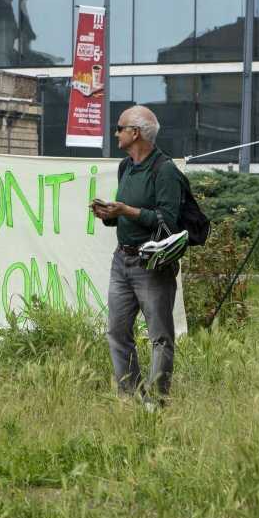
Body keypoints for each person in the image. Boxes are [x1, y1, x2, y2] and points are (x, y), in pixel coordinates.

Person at [91, 105, 182, 409]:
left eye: (120, 128)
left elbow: (167, 221)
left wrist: (126, 210)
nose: (116, 132)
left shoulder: (165, 170)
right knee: (117, 332)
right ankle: (131, 398)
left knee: (160, 337)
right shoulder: (125, 166)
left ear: (136, 133)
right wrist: (109, 215)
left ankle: (157, 402)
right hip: (122, 261)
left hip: (152, 264)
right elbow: (126, 216)